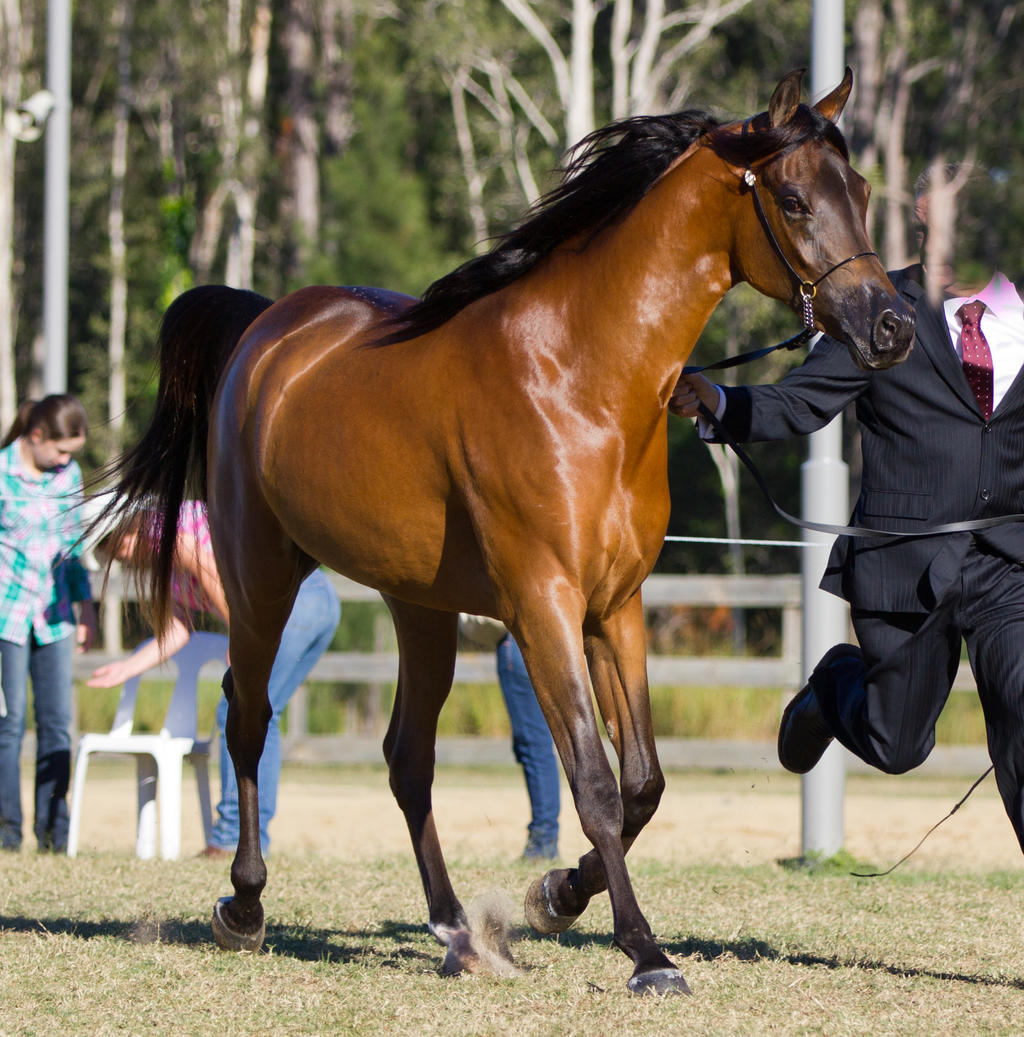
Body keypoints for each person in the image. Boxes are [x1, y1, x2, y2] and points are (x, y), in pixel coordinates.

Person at [670, 166, 1024, 854]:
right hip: (904, 564)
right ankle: (834, 685)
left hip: (1009, 565)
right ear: (924, 211)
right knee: (897, 744)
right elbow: (801, 400)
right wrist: (719, 402)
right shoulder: (879, 310)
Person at [86, 499, 340, 857]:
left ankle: (231, 837)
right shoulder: (164, 562)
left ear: (130, 528)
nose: (124, 559)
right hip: (312, 601)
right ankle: (251, 838)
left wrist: (241, 635)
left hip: (295, 602)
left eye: (118, 548)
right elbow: (176, 629)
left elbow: (208, 569)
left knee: (236, 712)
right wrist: (127, 668)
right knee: (264, 714)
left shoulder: (166, 532)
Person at [0, 395, 98, 852]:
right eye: (61, 451)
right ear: (35, 436)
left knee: (58, 723)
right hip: (8, 616)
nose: (66, 460)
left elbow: (74, 545)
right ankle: (7, 832)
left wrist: (87, 609)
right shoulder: (2, 474)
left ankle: (55, 834)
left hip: (55, 615)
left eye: (72, 452)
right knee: (10, 722)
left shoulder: (69, 476)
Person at [459, 614, 560, 858]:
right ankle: (545, 836)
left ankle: (543, 840)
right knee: (538, 744)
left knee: (533, 746)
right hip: (550, 640)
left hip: (517, 642)